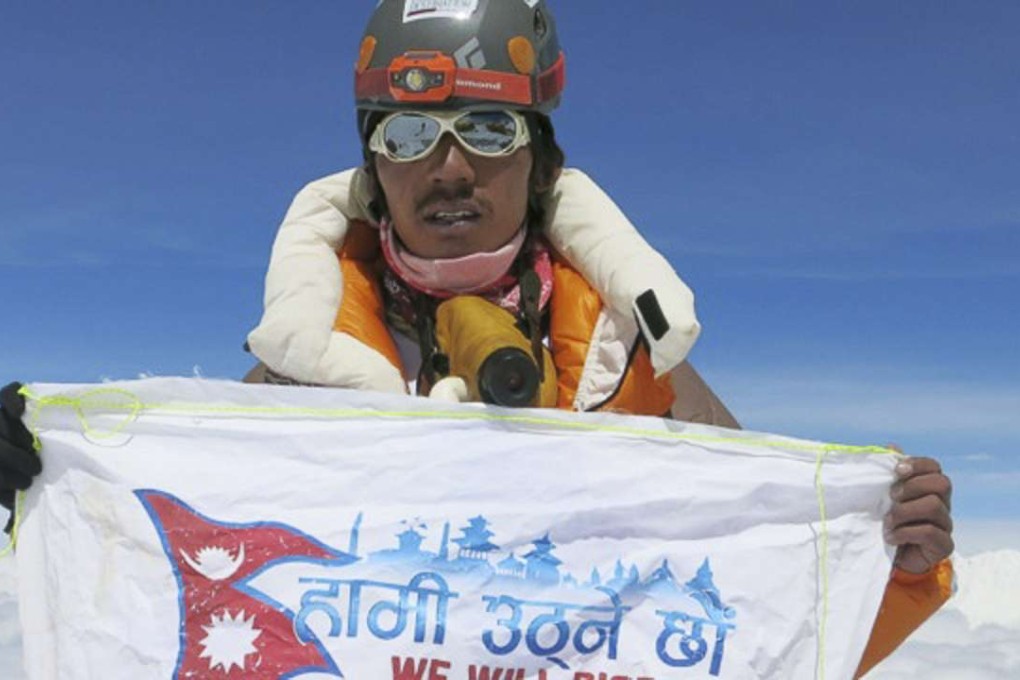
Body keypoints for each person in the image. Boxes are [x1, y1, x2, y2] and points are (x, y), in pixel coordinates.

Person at [2, 1, 953, 676]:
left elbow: (749, 623)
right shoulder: (290, 386)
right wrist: (35, 493)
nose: (448, 168)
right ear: (373, 171)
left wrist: (891, 569)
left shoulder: (636, 374)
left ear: (539, 160)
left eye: (488, 127)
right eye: (408, 136)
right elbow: (159, 601)